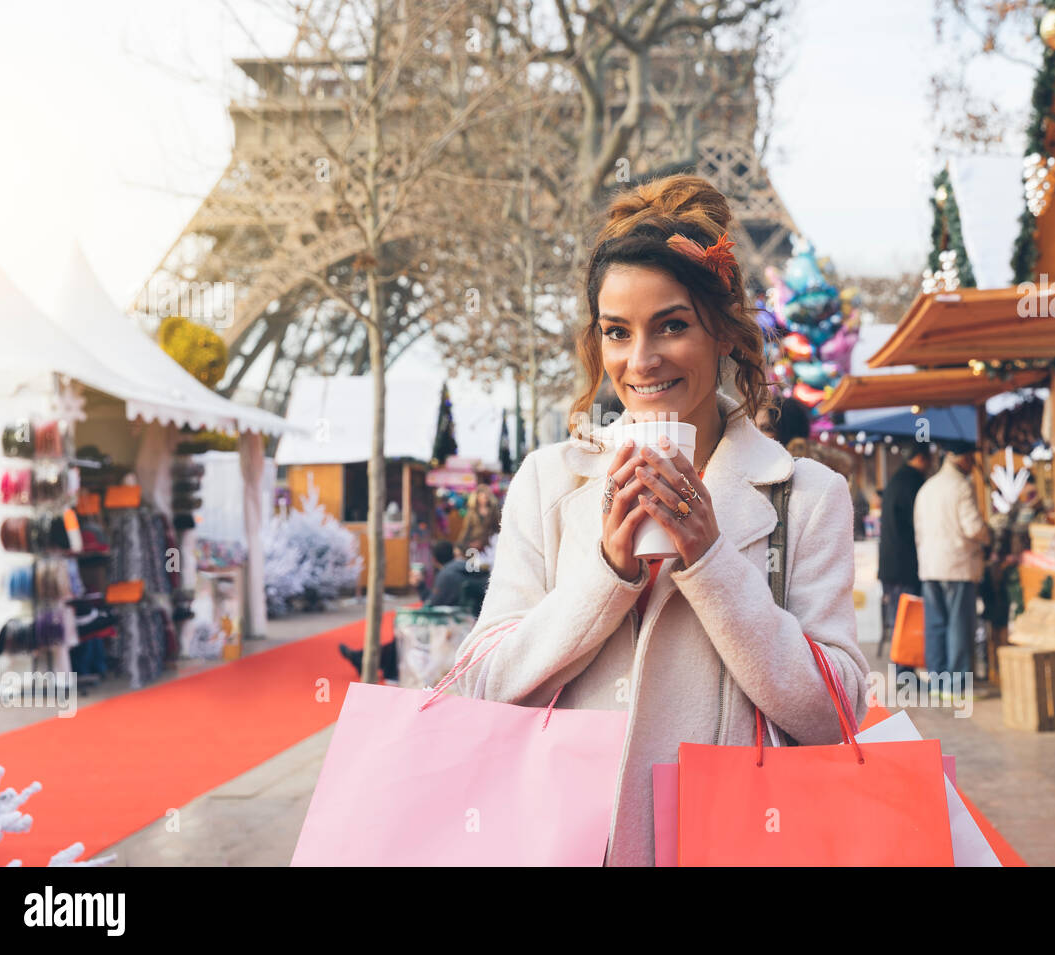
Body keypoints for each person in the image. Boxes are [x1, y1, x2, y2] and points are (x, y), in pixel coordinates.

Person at [453, 174, 869, 867]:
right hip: (572, 842)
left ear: (726, 336)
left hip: (737, 841)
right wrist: (605, 575)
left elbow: (837, 712)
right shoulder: (550, 484)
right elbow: (483, 684)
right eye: (618, 332)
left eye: (671, 325)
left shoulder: (807, 496)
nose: (641, 361)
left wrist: (711, 563)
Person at [913, 443, 991, 696]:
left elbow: (919, 529)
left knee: (936, 624)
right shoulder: (961, 487)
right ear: (964, 458)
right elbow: (973, 527)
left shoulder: (928, 487)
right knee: (959, 624)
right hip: (957, 565)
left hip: (930, 565)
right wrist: (987, 534)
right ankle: (955, 684)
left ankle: (937, 680)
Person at [338, 541, 468, 682]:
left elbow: (431, 606)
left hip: (447, 627)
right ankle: (362, 659)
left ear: (434, 559)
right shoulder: (463, 570)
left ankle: (370, 663)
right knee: (401, 635)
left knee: (403, 629)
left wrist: (420, 586)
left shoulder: (446, 575)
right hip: (461, 623)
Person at [877, 445, 933, 678]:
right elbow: (919, 522)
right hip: (905, 564)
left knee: (899, 618)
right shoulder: (913, 482)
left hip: (891, 564)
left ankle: (903, 672)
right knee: (906, 620)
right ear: (921, 458)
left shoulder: (896, 480)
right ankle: (904, 674)